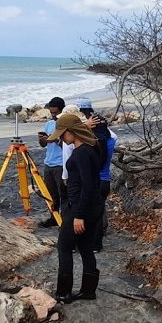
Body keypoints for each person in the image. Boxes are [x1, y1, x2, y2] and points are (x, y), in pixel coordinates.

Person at [47, 113, 105, 303]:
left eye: (63, 135)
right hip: (94, 206)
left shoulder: (81, 154)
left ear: (72, 132)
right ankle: (88, 291)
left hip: (81, 207)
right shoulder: (91, 147)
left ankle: (63, 293)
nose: (62, 139)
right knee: (85, 247)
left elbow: (88, 185)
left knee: (63, 247)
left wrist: (79, 215)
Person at [76, 97, 117, 252]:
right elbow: (111, 134)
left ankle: (88, 243)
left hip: (94, 181)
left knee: (86, 212)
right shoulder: (111, 141)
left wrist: (85, 126)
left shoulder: (90, 144)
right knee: (98, 214)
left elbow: (75, 134)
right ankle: (96, 245)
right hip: (105, 180)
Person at [37, 97, 66, 227]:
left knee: (63, 194)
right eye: (51, 113)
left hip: (60, 164)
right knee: (51, 194)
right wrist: (43, 139)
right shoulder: (49, 124)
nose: (53, 115)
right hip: (49, 163)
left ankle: (65, 221)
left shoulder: (65, 123)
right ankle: (53, 217)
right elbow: (43, 145)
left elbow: (67, 145)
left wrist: (55, 139)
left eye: (55, 113)